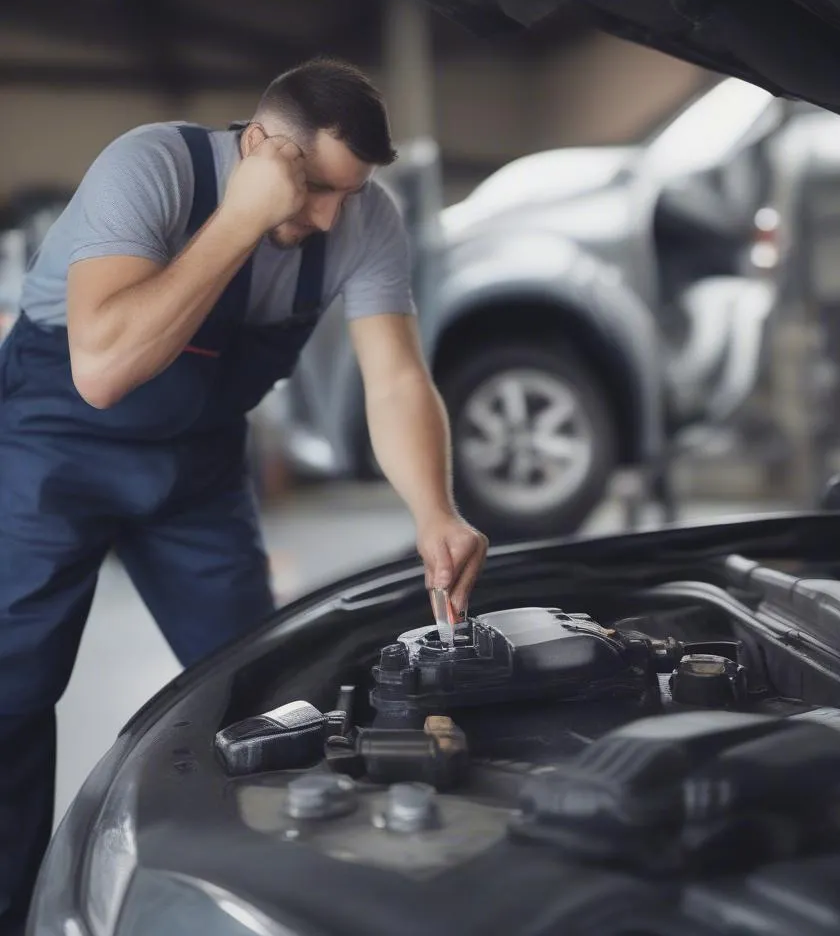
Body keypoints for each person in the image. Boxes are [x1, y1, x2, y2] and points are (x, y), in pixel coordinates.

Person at [0, 56, 488, 932]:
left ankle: (247, 899)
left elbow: (395, 381)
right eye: (315, 189)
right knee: (9, 692)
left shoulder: (363, 216)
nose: (332, 216)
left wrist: (434, 511)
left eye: (351, 192)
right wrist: (242, 216)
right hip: (54, 448)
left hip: (198, 470)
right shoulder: (149, 167)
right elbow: (103, 368)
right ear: (262, 145)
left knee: (258, 692)